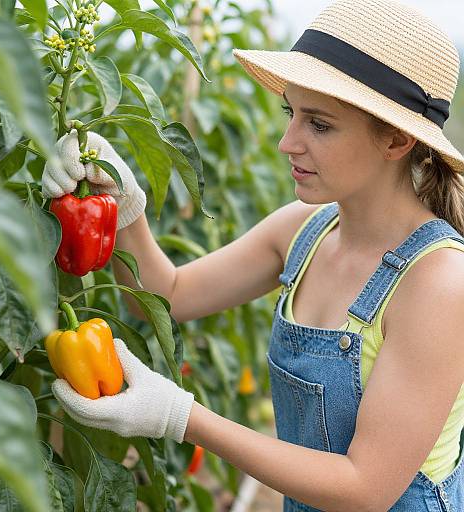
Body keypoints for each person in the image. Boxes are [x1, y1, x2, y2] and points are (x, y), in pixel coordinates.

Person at [41, 0, 464, 509]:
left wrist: (182, 417)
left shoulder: (439, 281)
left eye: (320, 125)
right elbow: (168, 295)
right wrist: (127, 206)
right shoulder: (303, 231)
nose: (288, 142)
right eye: (292, 114)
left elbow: (365, 488)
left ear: (395, 140)